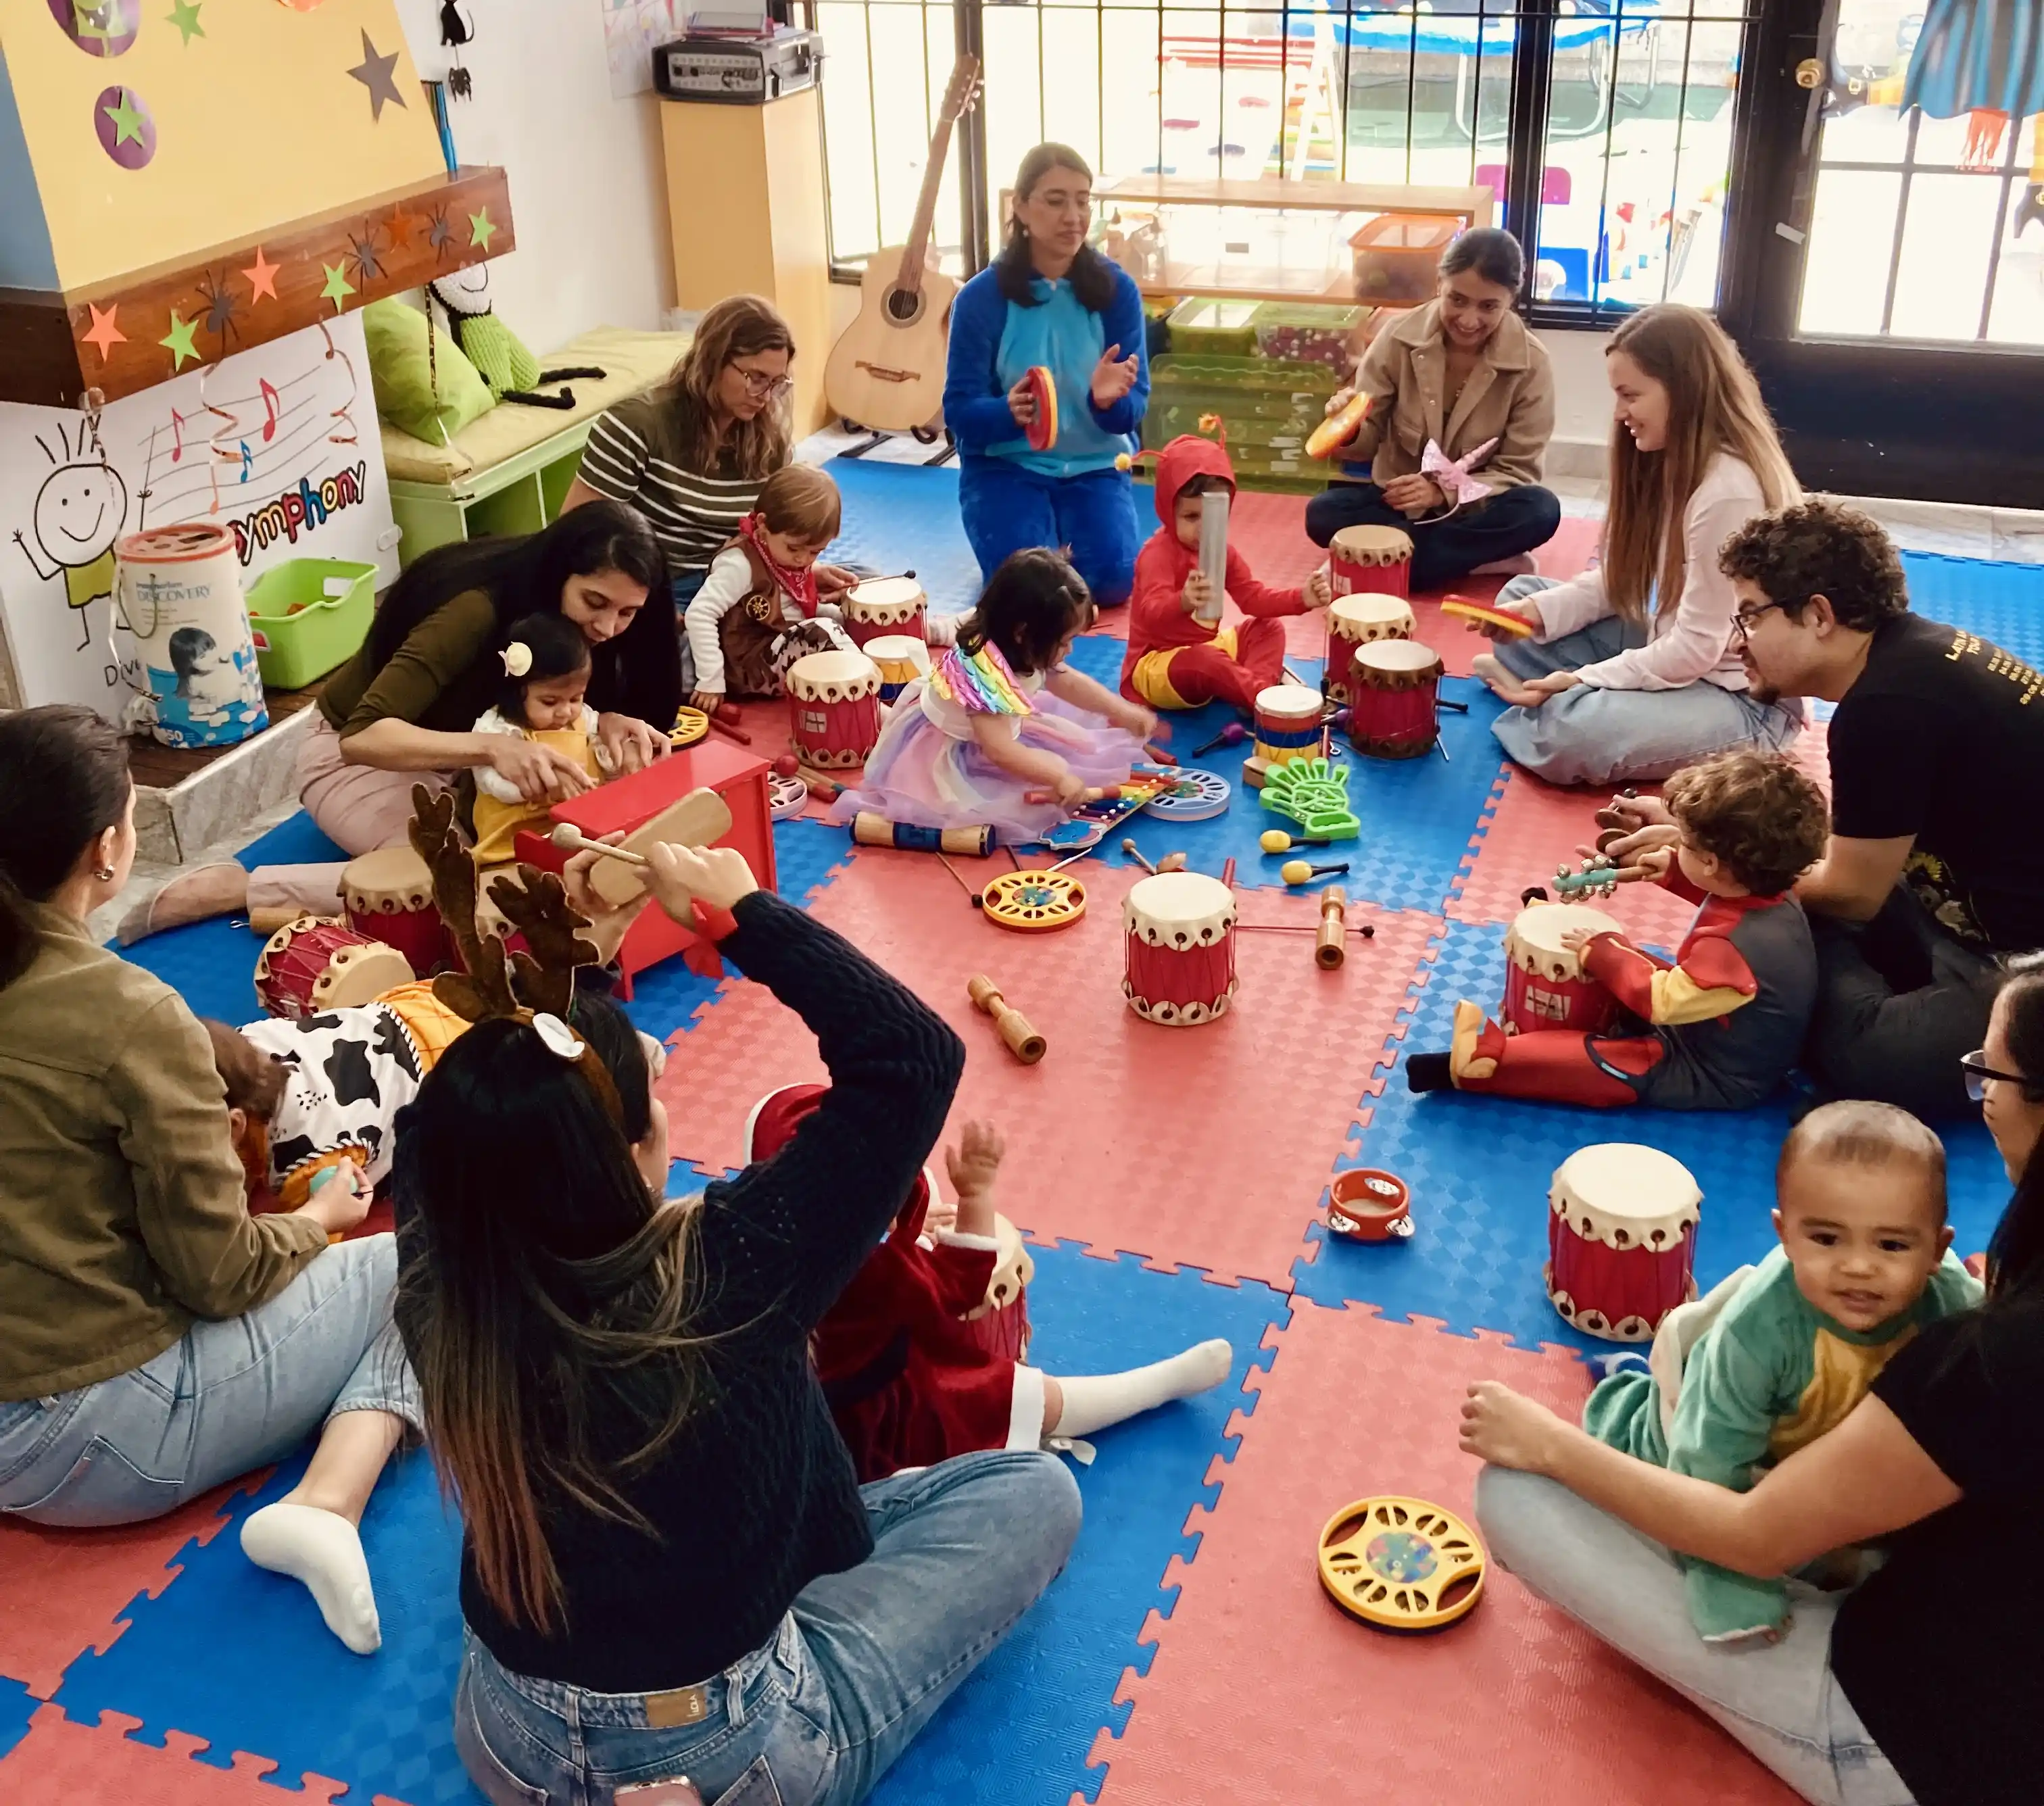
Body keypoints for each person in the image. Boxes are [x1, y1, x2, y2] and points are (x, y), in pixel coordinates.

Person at [393, 839, 1082, 1806]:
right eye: (655, 1092)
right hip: (723, 1756)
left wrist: (556, 994)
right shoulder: (727, 1272)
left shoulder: (446, 1284)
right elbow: (912, 1058)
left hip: (506, 1739)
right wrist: (741, 908)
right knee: (1035, 1491)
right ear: (631, 1157)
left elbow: (445, 1123)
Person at [1461, 953, 2044, 1806]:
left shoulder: (1992, 1353)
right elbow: (1720, 1447)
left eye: (1988, 1074)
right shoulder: (1958, 1331)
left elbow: (1751, 1537)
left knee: (1515, 1495)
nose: (1982, 1097)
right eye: (1826, 1240)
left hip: (1919, 1737)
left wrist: (1549, 1443)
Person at [0, 706, 418, 1659]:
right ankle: (327, 1505)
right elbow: (217, 1278)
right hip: (85, 1437)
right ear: (110, 850)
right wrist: (315, 1218)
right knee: (430, 1263)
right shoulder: (122, 1013)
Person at [119, 501, 680, 943]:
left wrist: (605, 718)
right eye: (595, 602)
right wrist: (490, 751)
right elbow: (362, 737)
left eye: (627, 612)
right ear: (561, 574)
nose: (608, 626)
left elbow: (551, 707)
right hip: (349, 756)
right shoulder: (476, 609)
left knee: (541, 860)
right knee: (464, 883)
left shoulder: (578, 625)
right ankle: (242, 888)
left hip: (455, 772)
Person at [1582, 1102, 1980, 1644]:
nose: (1858, 1266)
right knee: (1656, 1442)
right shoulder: (1758, 1328)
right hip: (1717, 1413)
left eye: (1891, 1245)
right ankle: (1623, 1393)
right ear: (1784, 1234)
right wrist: (1727, 1573)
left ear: (1938, 1249)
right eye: (1825, 1239)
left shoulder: (1957, 1311)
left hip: (1831, 1444)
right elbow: (1707, 1458)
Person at [1717, 499, 2040, 1121]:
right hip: (1965, 910)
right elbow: (1860, 861)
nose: (1738, 643)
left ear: (1817, 615)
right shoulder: (1908, 661)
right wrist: (1712, 844)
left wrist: (1725, 876)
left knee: (1867, 1058)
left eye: (1751, 617)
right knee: (1773, 904)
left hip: (2023, 961)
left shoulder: (1886, 708)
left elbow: (1851, 894)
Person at [748, 1090, 1232, 1482]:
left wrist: (907, 1230)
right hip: (890, 1429)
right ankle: (1158, 1386)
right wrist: (975, 1196)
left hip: (807, 1435)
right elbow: (963, 1281)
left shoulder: (747, 1258)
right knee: (1029, 1397)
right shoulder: (885, 1278)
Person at [1463, 304, 1803, 787]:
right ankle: (1556, 697)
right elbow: (1620, 580)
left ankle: (1555, 705)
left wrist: (1581, 679)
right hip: (1673, 649)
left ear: (1683, 392)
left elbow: (1696, 649)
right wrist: (1538, 612)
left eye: (1630, 396)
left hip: (1742, 701)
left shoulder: (1729, 491)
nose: (1620, 413)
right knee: (1518, 599)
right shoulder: (1669, 461)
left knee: (1575, 734)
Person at [1408, 747, 1828, 1109]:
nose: (1675, 847)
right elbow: (1719, 901)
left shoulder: (1736, 948)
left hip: (1716, 1072)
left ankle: (1491, 1063)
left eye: (1685, 845)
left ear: (1713, 864)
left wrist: (1604, 950)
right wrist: (1673, 873)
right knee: (1626, 959)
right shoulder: (1770, 892)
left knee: (1609, 1063)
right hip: (1711, 1025)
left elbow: (1660, 1002)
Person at [829, 548, 1155, 843]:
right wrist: (1059, 777)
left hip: (999, 731)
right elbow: (1000, 751)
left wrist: (1122, 711)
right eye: (1064, 642)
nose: (1069, 651)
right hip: (959, 749)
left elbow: (1066, 681)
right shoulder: (985, 674)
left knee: (1079, 755)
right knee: (1021, 802)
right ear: (1023, 633)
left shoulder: (1015, 642)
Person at [564, 294, 856, 620]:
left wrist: (804, 569)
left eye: (776, 383)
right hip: (656, 590)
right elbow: (575, 535)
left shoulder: (769, 442)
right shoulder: (635, 426)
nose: (766, 396)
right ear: (713, 361)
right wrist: (657, 616)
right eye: (756, 378)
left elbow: (770, 532)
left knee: (862, 585)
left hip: (739, 578)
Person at [944, 143, 1149, 607]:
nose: (1073, 216)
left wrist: (1108, 403)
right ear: (1020, 206)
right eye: (1056, 201)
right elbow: (959, 410)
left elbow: (1136, 407)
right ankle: (1028, 531)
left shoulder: (1117, 291)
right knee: (1021, 592)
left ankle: (1058, 533)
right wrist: (1006, 412)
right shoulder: (982, 298)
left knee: (1114, 581)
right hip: (1006, 465)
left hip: (1095, 466)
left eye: (1082, 200)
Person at [1305, 226, 1562, 591]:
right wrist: (1345, 424)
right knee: (1322, 514)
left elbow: (1517, 471)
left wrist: (1443, 492)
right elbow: (1365, 441)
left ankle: (1379, 562)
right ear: (1439, 284)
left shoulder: (1532, 364)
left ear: (1510, 300)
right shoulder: (1396, 337)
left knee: (1540, 510)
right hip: (1399, 503)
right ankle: (1473, 561)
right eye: (1457, 300)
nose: (1470, 320)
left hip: (1476, 508)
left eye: (1489, 306)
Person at [1120, 431, 1332, 713]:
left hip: (1207, 648)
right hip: (1157, 664)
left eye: (1214, 518)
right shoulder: (1156, 554)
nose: (1204, 529)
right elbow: (1150, 614)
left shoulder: (1223, 552)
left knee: (1268, 628)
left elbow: (1253, 599)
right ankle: (1265, 702)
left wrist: (1302, 598)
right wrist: (1182, 601)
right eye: (1192, 517)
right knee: (1208, 660)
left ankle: (1253, 691)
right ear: (1167, 511)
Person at [685, 462, 859, 710]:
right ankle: (865, 694)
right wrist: (710, 680)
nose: (803, 560)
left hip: (781, 641)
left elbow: (795, 610)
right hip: (752, 668)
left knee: (855, 607)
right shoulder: (739, 565)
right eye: (794, 548)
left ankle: (924, 634)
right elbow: (699, 614)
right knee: (823, 630)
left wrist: (845, 614)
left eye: (816, 552)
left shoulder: (783, 554)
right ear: (764, 524)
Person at [468, 612, 610, 871]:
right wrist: (542, 786)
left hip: (574, 838)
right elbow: (491, 784)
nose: (565, 712)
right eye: (550, 702)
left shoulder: (584, 718)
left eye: (575, 698)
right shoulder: (496, 730)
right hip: (509, 847)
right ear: (516, 692)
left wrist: (611, 759)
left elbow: (597, 748)